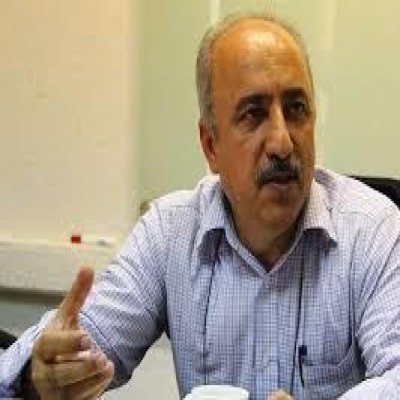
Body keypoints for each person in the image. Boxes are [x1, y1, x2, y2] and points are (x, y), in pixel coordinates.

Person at [1, 12, 400, 400]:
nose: (282, 143)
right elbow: (79, 345)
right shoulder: (171, 232)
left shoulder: (373, 229)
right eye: (254, 114)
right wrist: (41, 376)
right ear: (211, 145)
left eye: (296, 109)